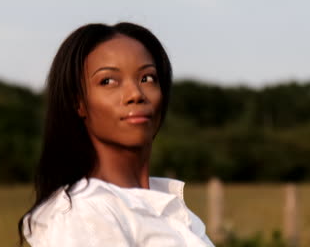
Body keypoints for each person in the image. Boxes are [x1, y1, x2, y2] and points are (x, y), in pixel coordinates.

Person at [19, 22, 214, 247]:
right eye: (108, 81)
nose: (135, 94)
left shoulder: (167, 206)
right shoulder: (84, 213)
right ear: (78, 103)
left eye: (147, 78)